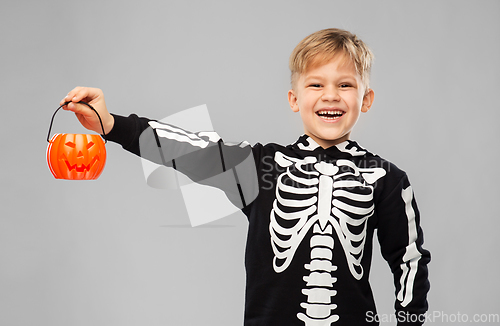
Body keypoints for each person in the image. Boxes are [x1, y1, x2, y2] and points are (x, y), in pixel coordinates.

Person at [60, 28, 431, 326]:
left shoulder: (386, 178)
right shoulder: (263, 166)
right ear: (294, 98)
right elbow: (188, 149)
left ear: (365, 99)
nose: (330, 96)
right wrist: (111, 125)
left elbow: (409, 260)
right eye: (316, 85)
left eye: (345, 85)